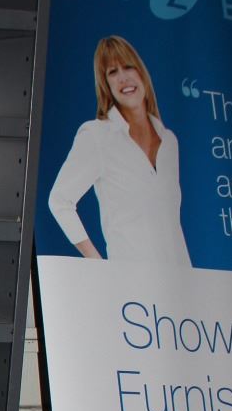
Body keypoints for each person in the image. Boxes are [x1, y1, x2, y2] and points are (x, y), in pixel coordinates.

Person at [48, 35, 191, 264]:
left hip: (178, 279)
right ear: (106, 85)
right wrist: (99, 266)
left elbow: (172, 226)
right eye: (112, 72)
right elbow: (59, 200)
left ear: (141, 73)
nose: (123, 77)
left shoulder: (169, 142)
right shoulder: (97, 136)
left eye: (128, 67)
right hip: (131, 282)